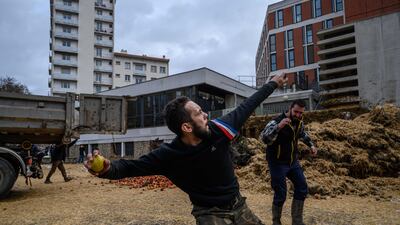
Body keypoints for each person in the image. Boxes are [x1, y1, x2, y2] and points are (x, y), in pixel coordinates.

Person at [85, 73, 287, 225]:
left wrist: (273, 83)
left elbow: (249, 104)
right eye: (199, 113)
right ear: (187, 127)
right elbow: (131, 167)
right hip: (210, 214)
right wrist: (105, 169)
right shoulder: (169, 156)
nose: (206, 115)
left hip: (238, 205)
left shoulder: (219, 130)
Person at [259, 100, 317, 225]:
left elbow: (302, 134)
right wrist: (278, 127)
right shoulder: (275, 121)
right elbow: (263, 138)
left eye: (300, 113)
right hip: (277, 162)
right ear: (290, 109)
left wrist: (311, 145)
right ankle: (276, 222)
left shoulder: (299, 121)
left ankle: (297, 222)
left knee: (302, 187)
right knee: (281, 193)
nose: (298, 115)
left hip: (292, 162)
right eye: (296, 112)